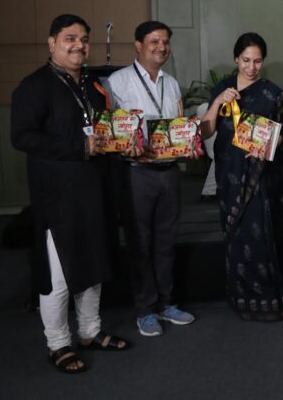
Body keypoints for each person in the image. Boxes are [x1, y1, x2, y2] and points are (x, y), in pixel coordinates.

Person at [11, 14, 129, 374]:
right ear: (52, 43)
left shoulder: (92, 86)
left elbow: (103, 130)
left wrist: (122, 139)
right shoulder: (33, 86)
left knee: (94, 265)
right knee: (59, 273)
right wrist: (79, 147)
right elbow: (22, 137)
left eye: (84, 39)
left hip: (94, 191)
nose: (79, 45)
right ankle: (58, 343)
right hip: (57, 197)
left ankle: (90, 332)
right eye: (70, 38)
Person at [105, 21, 195, 337]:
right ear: (138, 45)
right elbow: (109, 132)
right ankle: (145, 309)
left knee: (166, 242)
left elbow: (178, 124)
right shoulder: (118, 82)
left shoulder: (172, 83)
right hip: (136, 173)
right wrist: (125, 145)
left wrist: (188, 141)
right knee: (140, 244)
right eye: (154, 41)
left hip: (169, 172)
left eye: (165, 42)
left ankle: (167, 303)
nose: (161, 47)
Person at [199, 32, 283, 321]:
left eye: (257, 61)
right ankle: (240, 297)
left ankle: (268, 299)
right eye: (246, 60)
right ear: (235, 59)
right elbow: (206, 131)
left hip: (261, 177)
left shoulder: (272, 93)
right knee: (236, 235)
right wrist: (219, 101)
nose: (251, 67)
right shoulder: (224, 88)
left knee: (261, 234)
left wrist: (267, 145)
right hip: (229, 172)